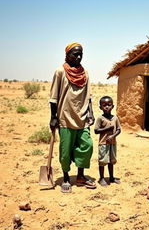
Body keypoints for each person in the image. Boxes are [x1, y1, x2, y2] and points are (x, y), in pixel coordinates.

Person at [49, 42, 96, 193]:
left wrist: (91, 113)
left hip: (82, 118)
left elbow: (88, 96)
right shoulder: (60, 72)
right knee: (65, 151)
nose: (78, 56)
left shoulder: (85, 74)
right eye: (75, 54)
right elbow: (53, 97)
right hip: (65, 118)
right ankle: (66, 178)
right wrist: (53, 117)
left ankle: (81, 175)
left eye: (81, 53)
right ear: (67, 55)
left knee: (86, 146)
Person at [94, 96, 121, 186]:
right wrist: (107, 128)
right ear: (100, 107)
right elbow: (96, 131)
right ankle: (101, 178)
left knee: (111, 161)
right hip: (103, 144)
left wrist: (113, 136)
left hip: (112, 143)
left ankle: (111, 177)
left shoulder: (115, 118)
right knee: (102, 161)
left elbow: (118, 130)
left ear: (112, 106)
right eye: (104, 105)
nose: (106, 107)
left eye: (109, 105)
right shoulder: (100, 118)